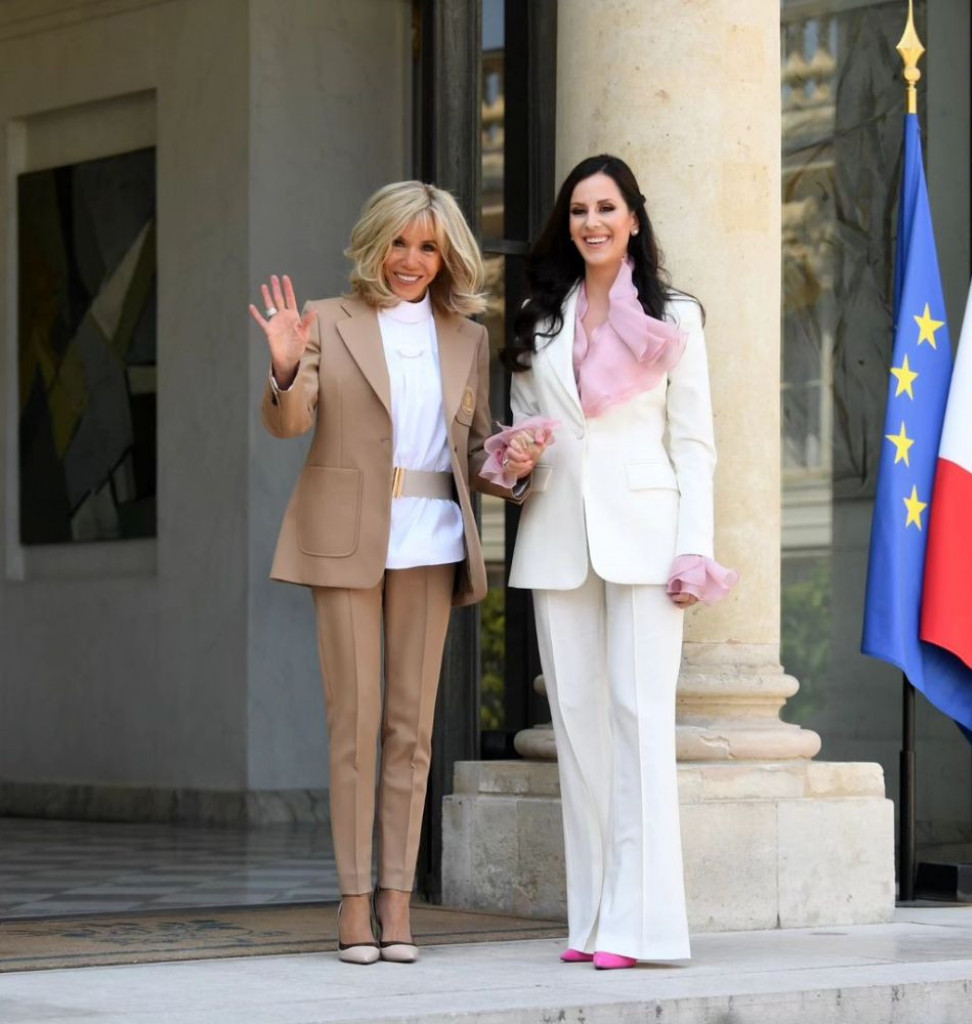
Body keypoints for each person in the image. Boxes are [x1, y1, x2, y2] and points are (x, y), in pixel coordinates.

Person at [250, 181, 532, 965]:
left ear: (447, 257)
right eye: (400, 243)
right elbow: (290, 423)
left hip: (432, 540)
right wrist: (284, 368)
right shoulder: (327, 320)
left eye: (428, 247)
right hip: (347, 542)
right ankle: (352, 904)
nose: (412, 260)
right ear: (374, 243)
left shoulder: (466, 336)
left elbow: (475, 451)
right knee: (355, 723)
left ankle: (398, 905)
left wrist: (516, 463)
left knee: (412, 731)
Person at [500, 154, 737, 969]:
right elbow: (525, 433)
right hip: (558, 533)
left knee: (640, 724)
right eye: (579, 210)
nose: (592, 222)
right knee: (577, 731)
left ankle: (646, 929)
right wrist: (515, 459)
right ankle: (593, 921)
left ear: (634, 217)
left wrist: (695, 548)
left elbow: (694, 443)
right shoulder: (540, 317)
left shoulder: (677, 315)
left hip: (647, 534)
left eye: (606, 208)